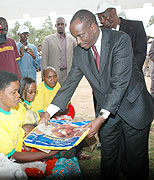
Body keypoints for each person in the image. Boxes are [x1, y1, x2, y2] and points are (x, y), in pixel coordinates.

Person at [40, 9, 154, 180]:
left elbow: (119, 84)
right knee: (108, 161)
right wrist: (49, 112)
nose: (78, 42)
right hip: (108, 114)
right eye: (75, 37)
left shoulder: (120, 39)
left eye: (80, 36)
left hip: (133, 107)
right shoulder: (80, 51)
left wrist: (99, 119)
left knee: (135, 163)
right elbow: (70, 83)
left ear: (93, 27)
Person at [0, 70, 82, 179]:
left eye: (18, 91)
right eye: (14, 92)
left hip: (22, 152)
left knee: (69, 158)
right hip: (2, 164)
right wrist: (48, 154)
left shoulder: (16, 109)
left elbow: (30, 126)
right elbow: (12, 155)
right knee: (61, 167)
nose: (18, 95)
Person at [96, 1, 147, 72]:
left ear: (113, 11)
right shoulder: (101, 33)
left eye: (104, 16)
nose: (103, 21)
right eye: (100, 18)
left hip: (133, 77)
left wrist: (127, 73)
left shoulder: (136, 26)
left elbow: (140, 54)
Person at [41, 17, 77, 85]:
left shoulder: (72, 40)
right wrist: (43, 75)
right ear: (55, 26)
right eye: (58, 24)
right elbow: (44, 59)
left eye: (62, 24)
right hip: (53, 74)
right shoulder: (48, 40)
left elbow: (77, 55)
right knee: (54, 94)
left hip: (67, 72)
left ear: (65, 25)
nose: (60, 26)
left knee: (66, 93)